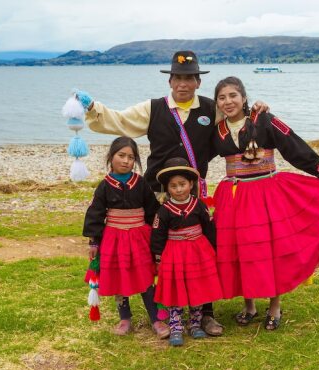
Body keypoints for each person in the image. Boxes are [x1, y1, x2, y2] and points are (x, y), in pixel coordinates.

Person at [74, 50, 269, 336]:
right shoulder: (152, 109)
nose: (183, 83)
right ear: (170, 81)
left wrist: (257, 108)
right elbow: (119, 121)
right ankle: (165, 313)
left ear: (198, 82)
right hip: (158, 195)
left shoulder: (211, 107)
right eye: (178, 77)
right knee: (159, 255)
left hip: (193, 194)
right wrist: (93, 108)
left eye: (189, 78)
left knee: (201, 255)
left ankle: (205, 314)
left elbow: (236, 115)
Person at [211, 76, 319, 330]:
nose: (228, 101)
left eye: (233, 95)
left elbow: (291, 144)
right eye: (222, 97)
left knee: (269, 249)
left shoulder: (264, 119)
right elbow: (195, 152)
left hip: (265, 192)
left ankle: (274, 306)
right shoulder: (217, 130)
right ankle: (249, 305)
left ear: (244, 97)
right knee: (243, 250)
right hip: (234, 195)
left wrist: (318, 169)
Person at [82, 137, 169, 339]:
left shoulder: (141, 183)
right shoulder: (104, 186)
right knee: (118, 278)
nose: (126, 161)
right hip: (113, 238)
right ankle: (125, 318)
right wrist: (94, 241)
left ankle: (156, 318)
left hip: (139, 237)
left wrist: (161, 230)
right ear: (111, 157)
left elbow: (152, 211)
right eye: (121, 155)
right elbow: (95, 213)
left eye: (131, 157)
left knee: (146, 278)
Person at [150, 157, 223, 346]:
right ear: (167, 188)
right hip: (174, 253)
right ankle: (175, 326)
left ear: (191, 184)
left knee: (197, 286)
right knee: (177, 288)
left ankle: (195, 324)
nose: (179, 189)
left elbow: (209, 228)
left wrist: (213, 250)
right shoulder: (164, 211)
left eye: (182, 184)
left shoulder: (199, 205)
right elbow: (157, 235)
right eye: (173, 186)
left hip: (198, 251)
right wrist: (158, 257)